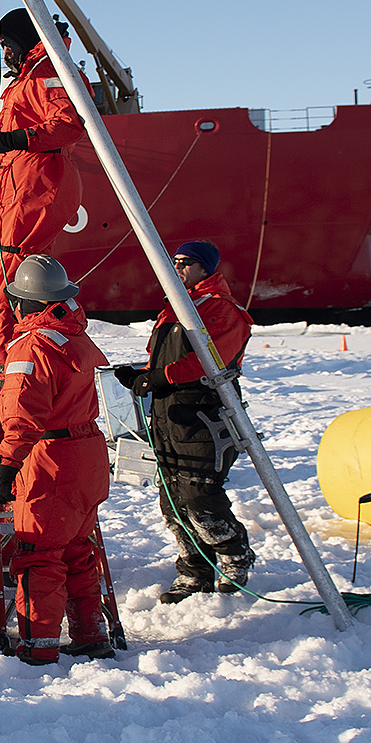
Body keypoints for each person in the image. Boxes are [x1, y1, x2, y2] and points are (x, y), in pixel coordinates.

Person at [0, 255, 115, 664]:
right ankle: (91, 635)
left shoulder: (30, 346)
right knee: (77, 548)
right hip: (87, 456)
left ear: (25, 303)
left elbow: (22, 417)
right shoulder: (74, 338)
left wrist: (5, 467)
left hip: (52, 461)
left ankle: (37, 650)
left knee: (39, 554)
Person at [113, 240, 257, 602]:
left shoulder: (220, 310)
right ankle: (194, 571)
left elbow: (210, 360)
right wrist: (141, 375)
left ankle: (234, 555)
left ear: (205, 269)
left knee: (199, 495)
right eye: (174, 262)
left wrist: (160, 377)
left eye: (185, 263)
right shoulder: (174, 310)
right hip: (168, 413)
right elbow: (160, 359)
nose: (176, 269)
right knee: (172, 498)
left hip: (203, 414)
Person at [0, 8, 85, 368]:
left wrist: (11, 139)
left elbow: (67, 124)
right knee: (2, 277)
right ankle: (2, 363)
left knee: (9, 277)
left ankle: (5, 370)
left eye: (8, 43)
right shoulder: (30, 78)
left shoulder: (46, 75)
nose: (4, 51)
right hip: (18, 194)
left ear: (25, 42)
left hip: (32, 194)